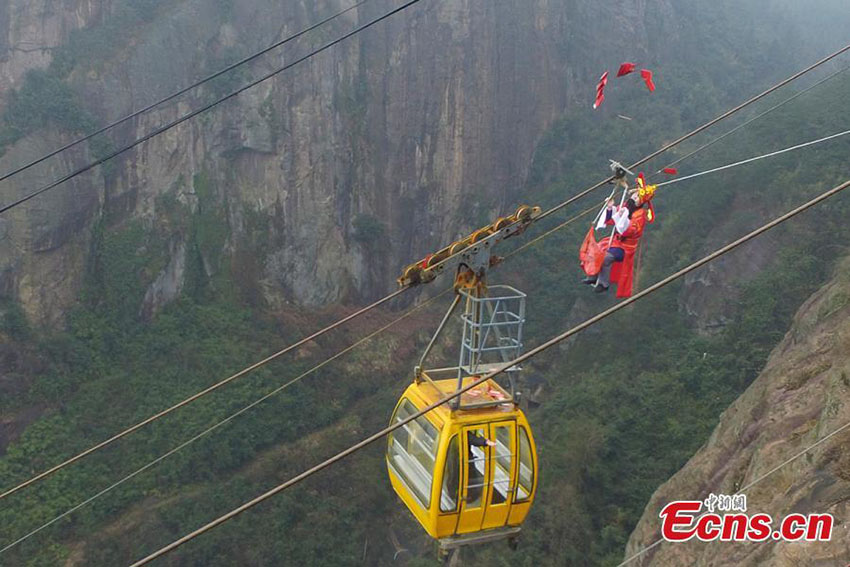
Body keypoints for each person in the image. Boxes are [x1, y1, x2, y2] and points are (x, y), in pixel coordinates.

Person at [583, 178, 656, 297]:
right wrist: (611, 208)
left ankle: (603, 283)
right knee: (596, 250)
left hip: (625, 247)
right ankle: (594, 275)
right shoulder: (626, 206)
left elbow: (630, 230)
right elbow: (612, 219)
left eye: (637, 197)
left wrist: (623, 217)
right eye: (634, 196)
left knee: (606, 258)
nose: (634, 198)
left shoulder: (640, 215)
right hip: (615, 242)